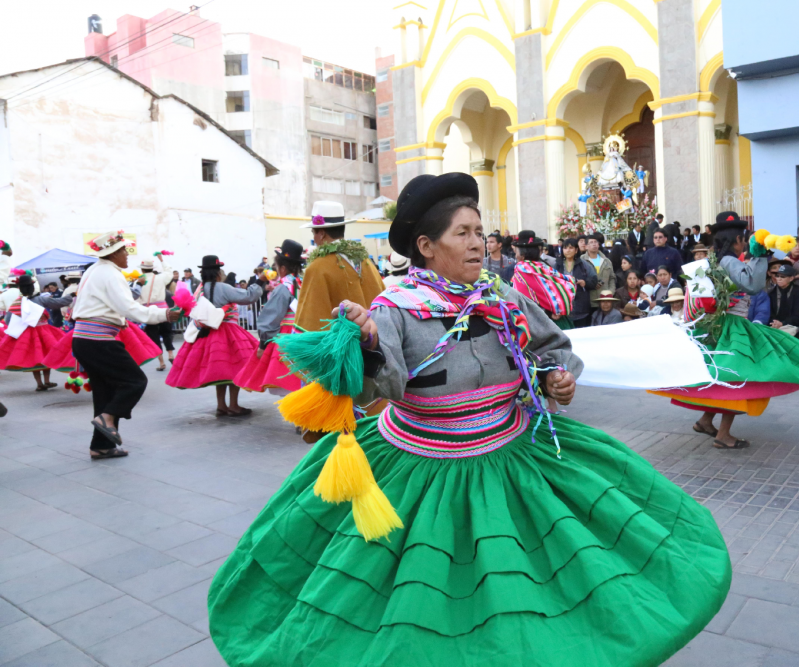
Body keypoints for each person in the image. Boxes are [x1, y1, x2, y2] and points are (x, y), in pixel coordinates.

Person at [208, 172, 731, 666]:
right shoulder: (395, 309)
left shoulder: (500, 297)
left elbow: (552, 348)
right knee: (430, 606)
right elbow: (376, 383)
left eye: (481, 231)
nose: (480, 243)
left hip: (514, 455)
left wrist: (553, 379)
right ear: (427, 247)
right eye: (463, 233)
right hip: (424, 470)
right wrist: (366, 341)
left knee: (550, 585)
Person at [650, 212, 799, 449]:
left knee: (722, 376)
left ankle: (705, 421)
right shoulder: (730, 261)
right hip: (733, 326)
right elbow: (752, 286)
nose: (745, 243)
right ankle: (723, 435)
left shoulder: (713, 261)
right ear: (737, 241)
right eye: (743, 239)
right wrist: (759, 256)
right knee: (737, 377)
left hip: (719, 325)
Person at [69, 231, 181, 458]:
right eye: (123, 251)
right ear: (113, 254)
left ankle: (101, 445)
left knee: (104, 391)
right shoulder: (110, 274)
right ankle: (107, 418)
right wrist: (165, 315)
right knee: (135, 381)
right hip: (98, 339)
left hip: (86, 339)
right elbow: (129, 309)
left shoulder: (94, 270)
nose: (127, 255)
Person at [166, 255, 266, 415]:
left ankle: (221, 405)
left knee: (222, 371)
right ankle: (233, 405)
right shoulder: (223, 288)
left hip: (207, 334)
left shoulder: (199, 290)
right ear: (218, 272)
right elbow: (248, 297)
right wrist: (259, 281)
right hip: (228, 332)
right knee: (236, 368)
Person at [296, 201, 385, 333]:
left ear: (321, 233)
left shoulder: (317, 268)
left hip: (343, 350)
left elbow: (311, 323)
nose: (314, 238)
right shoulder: (365, 260)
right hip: (376, 344)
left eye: (313, 232)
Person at [234, 240, 306, 394]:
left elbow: (270, 320)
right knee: (302, 383)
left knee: (288, 384)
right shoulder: (304, 283)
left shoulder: (283, 288)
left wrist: (262, 345)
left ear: (282, 268)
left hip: (286, 338)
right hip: (304, 335)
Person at [0, 274, 73, 390]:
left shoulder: (17, 303)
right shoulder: (40, 299)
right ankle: (47, 381)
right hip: (44, 330)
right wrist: (71, 296)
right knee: (47, 354)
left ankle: (39, 383)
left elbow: (8, 320)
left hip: (28, 333)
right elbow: (57, 302)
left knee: (35, 358)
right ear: (32, 287)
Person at [511, 230, 577, 330]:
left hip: (540, 322)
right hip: (558, 319)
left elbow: (524, 298)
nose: (515, 255)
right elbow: (563, 283)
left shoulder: (522, 268)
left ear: (523, 253)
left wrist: (549, 311)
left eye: (516, 251)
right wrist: (555, 308)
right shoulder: (542, 266)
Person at [137, 253, 176, 371]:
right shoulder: (160, 278)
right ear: (152, 268)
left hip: (148, 311)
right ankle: (171, 354)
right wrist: (162, 260)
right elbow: (169, 272)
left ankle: (161, 362)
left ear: (142, 269)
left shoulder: (139, 281)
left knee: (153, 336)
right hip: (163, 310)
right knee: (167, 333)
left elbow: (137, 298)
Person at [556, 237, 597, 328]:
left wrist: (585, 283)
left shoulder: (584, 264)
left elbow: (594, 280)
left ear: (576, 250)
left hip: (581, 306)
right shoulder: (557, 265)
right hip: (563, 306)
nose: (568, 250)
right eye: (565, 248)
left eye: (571, 248)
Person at [768, 264, 799, 335]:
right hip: (774, 325)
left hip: (792, 327)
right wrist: (775, 323)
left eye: (783, 277)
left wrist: (782, 323)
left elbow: (798, 316)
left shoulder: (797, 293)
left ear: (791, 278)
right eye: (777, 276)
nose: (779, 279)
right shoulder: (772, 292)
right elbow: (769, 313)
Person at [584, 234, 615, 310]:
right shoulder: (582, 261)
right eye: (591, 242)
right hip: (589, 301)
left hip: (605, 300)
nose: (594, 244)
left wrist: (611, 292)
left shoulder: (606, 261)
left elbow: (612, 278)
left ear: (598, 245)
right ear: (586, 246)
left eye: (595, 242)